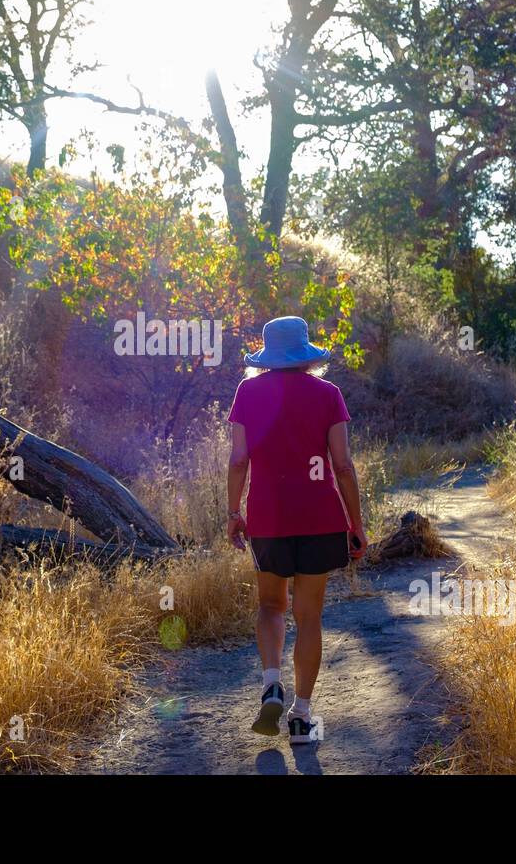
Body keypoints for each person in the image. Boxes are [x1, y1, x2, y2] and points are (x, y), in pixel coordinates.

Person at [225, 316, 367, 745]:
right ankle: (301, 716)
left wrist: (233, 512)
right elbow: (342, 464)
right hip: (321, 518)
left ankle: (271, 682)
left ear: (267, 355)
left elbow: (237, 460)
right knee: (309, 617)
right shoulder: (329, 394)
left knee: (271, 606)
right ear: (306, 353)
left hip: (268, 517)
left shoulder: (247, 392)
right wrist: (355, 523)